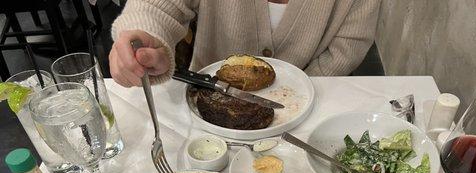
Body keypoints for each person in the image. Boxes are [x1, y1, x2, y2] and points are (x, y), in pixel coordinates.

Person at [110, 0, 381, 87]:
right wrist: (138, 35)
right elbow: (156, 6)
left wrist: (296, 99)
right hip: (205, 104)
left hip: (304, 118)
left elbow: (347, 46)